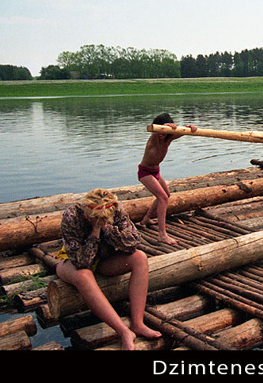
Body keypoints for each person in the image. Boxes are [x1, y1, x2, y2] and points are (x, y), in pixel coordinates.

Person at [55, 188, 162, 350]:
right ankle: (124, 331)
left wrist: (106, 228)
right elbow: (82, 261)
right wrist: (95, 232)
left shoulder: (117, 210)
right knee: (84, 275)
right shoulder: (71, 215)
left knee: (140, 258)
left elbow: (133, 242)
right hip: (72, 261)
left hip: (105, 259)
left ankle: (138, 324)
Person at [138, 112, 197, 245]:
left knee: (166, 195)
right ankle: (162, 235)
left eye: (164, 131)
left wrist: (189, 127)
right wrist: (162, 126)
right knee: (163, 198)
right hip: (145, 172)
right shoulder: (153, 139)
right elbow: (155, 131)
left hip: (156, 171)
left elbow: (183, 132)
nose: (161, 134)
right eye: (160, 130)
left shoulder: (168, 139)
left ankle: (146, 219)